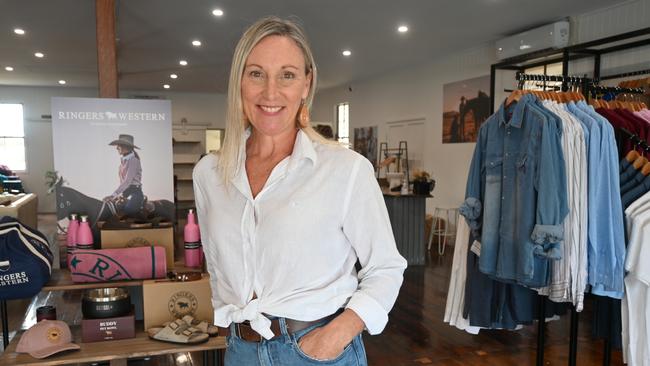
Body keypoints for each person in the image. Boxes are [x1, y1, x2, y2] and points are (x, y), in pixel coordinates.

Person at [193, 16, 407, 365]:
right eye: (256, 73)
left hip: (316, 351)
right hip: (240, 350)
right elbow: (217, 264)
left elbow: (386, 267)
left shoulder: (345, 170)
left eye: (287, 75)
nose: (271, 92)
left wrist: (333, 338)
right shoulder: (209, 174)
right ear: (240, 82)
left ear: (306, 84)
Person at [105, 134, 144, 217]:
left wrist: (113, 195)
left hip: (135, 193)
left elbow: (127, 181)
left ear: (125, 147)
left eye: (118, 145)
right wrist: (116, 196)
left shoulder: (134, 161)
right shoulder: (122, 164)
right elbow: (123, 183)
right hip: (125, 193)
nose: (116, 148)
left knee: (127, 211)